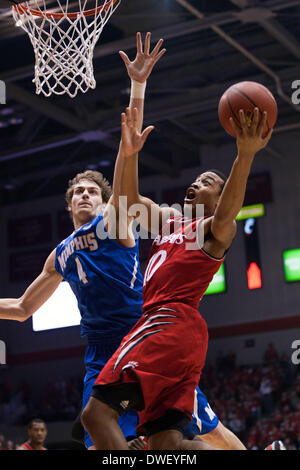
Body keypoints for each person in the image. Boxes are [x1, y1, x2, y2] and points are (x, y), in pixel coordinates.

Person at [0, 32, 165, 450]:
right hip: (97, 355)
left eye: (92, 190)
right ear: (68, 205)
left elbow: (128, 151)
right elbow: (22, 309)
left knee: (167, 439)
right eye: (78, 192)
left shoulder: (114, 220)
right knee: (101, 443)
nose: (85, 195)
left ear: (105, 200)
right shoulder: (60, 254)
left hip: (137, 337)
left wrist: (138, 85)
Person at [80, 104, 274, 450]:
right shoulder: (170, 222)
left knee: (95, 416)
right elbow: (127, 201)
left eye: (207, 184)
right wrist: (130, 153)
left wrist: (244, 156)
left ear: (218, 201)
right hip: (180, 334)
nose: (196, 184)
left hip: (166, 323)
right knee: (165, 443)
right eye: (197, 179)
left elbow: (229, 212)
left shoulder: (211, 233)